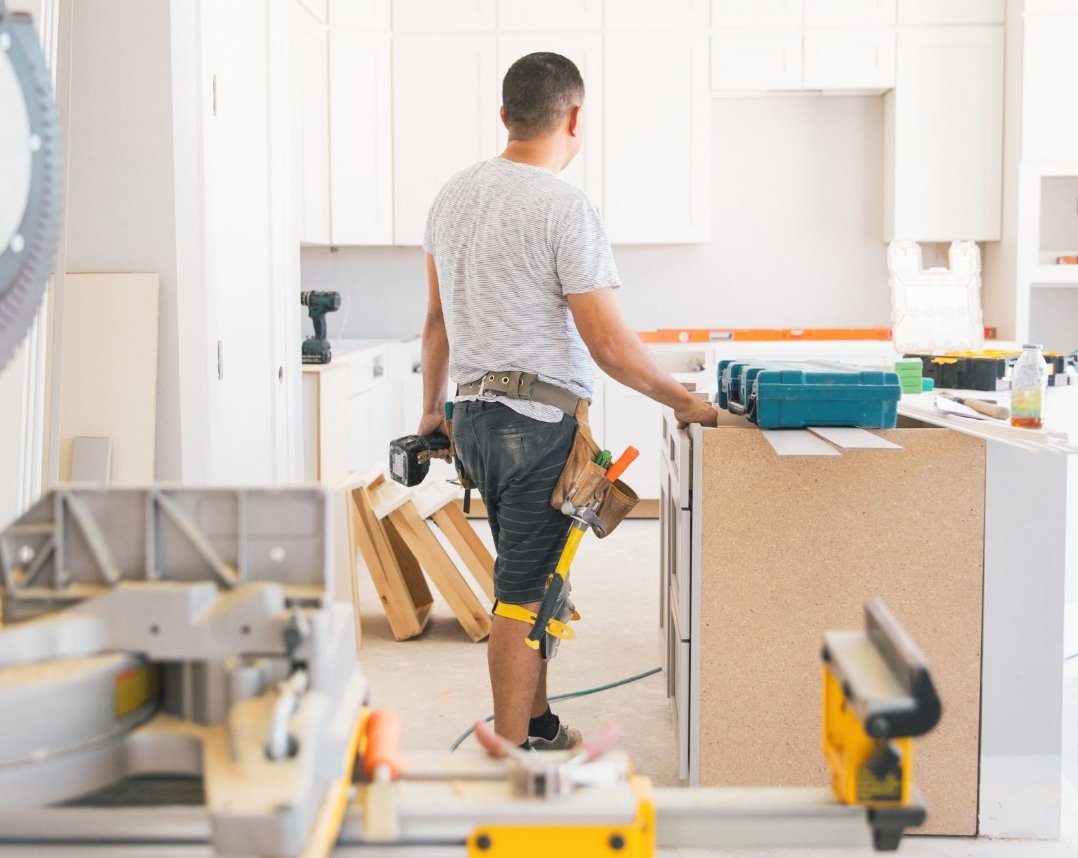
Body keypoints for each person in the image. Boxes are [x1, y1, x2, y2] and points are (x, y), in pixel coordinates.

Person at [419, 52, 718, 750]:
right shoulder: (563, 207)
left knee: (533, 576)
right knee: (523, 595)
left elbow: (435, 322)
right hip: (536, 426)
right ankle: (515, 752)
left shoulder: (452, 196)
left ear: (505, 117)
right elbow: (609, 344)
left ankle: (541, 723)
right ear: (575, 118)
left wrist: (431, 414)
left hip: (474, 419)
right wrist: (685, 402)